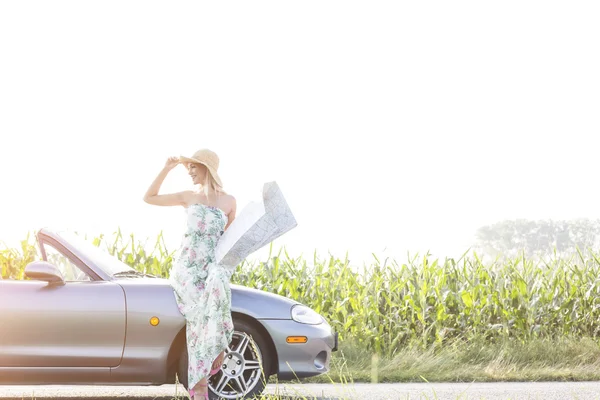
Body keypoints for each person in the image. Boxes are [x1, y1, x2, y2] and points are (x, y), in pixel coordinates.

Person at [143, 148, 237, 400]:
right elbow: (149, 197)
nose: (190, 173)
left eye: (193, 168)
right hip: (187, 269)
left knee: (216, 299)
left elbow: (229, 243)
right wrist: (167, 168)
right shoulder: (187, 196)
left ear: (206, 168)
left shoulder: (229, 201)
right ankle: (200, 386)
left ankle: (215, 356)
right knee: (198, 321)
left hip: (211, 268)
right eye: (188, 169)